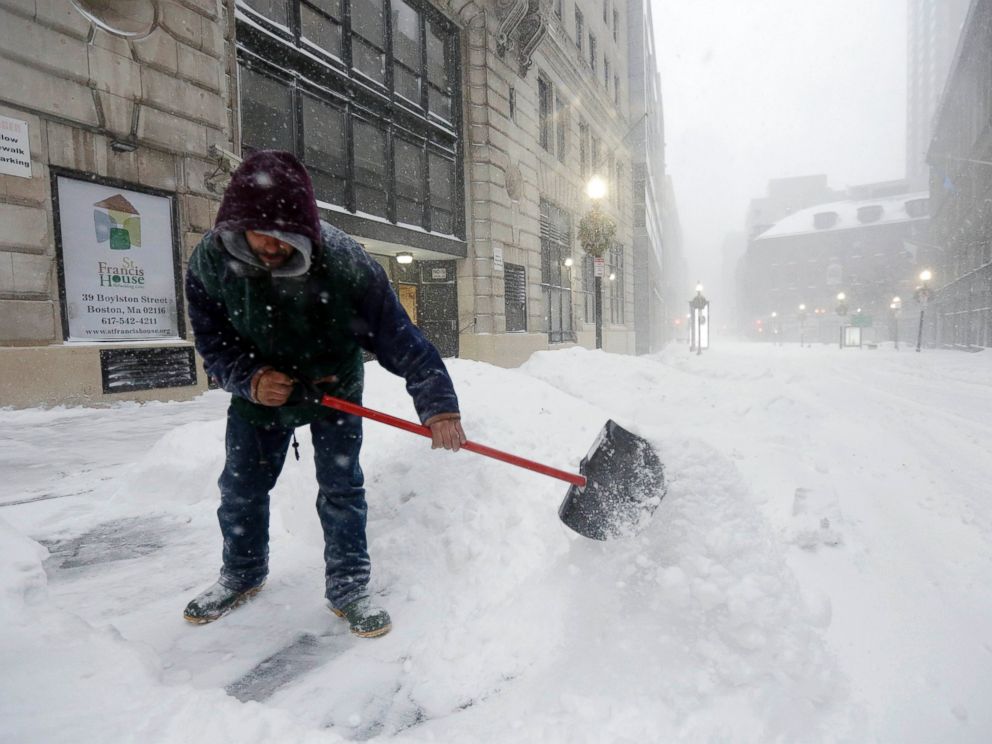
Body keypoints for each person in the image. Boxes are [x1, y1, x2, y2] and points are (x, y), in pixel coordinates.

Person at [182, 150, 466, 638]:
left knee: (341, 488)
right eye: (260, 233)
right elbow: (213, 344)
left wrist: (438, 405)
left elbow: (400, 338)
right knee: (241, 488)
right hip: (259, 396)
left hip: (335, 387)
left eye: (285, 237)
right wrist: (249, 377)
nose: (272, 246)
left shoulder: (345, 263)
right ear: (236, 227)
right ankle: (242, 573)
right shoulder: (211, 263)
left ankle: (350, 586)